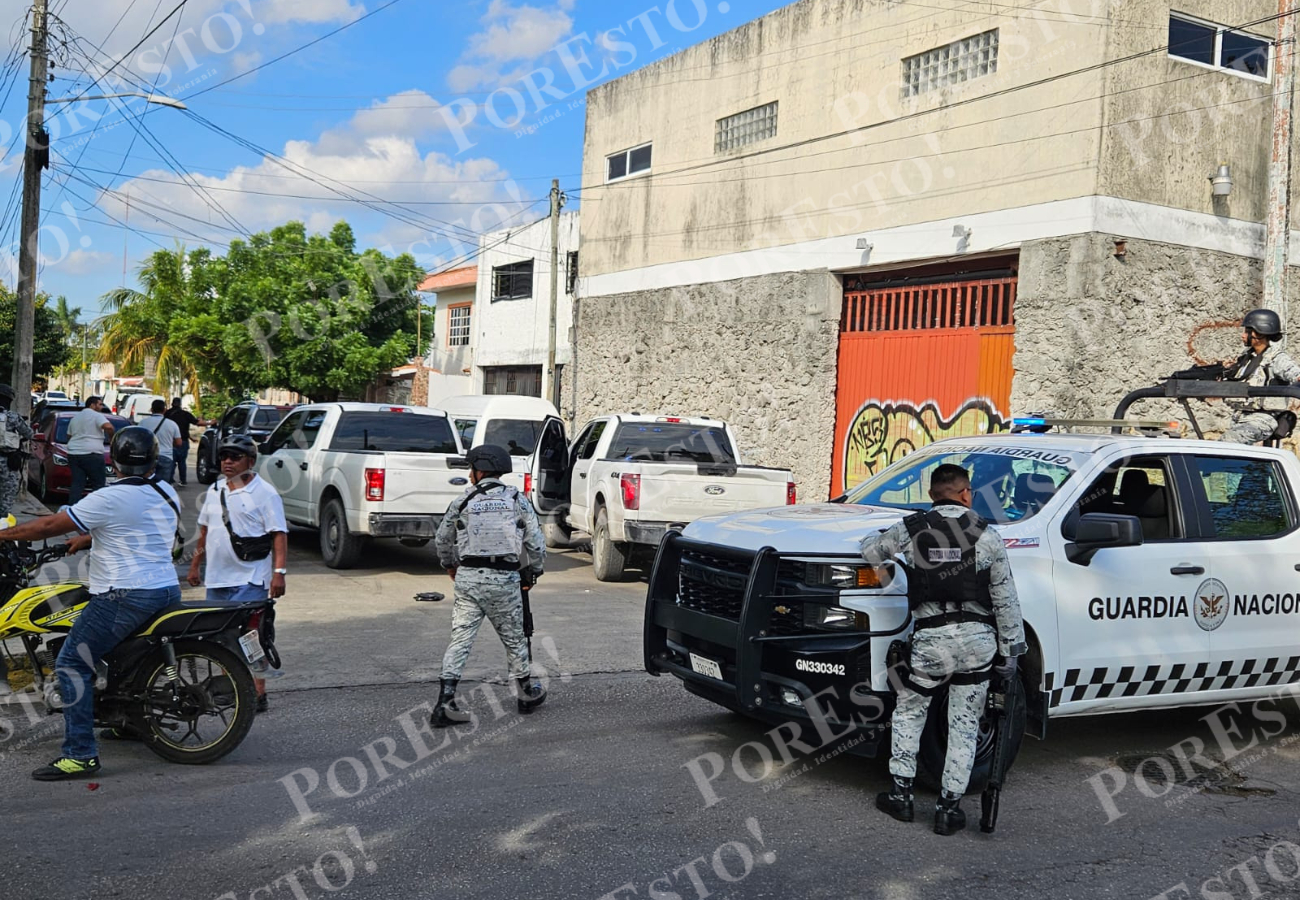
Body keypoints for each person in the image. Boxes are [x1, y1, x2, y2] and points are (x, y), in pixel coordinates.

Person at [0, 426, 181, 781]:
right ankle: (130, 721)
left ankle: (80, 754)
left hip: (124, 595)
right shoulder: (165, 490)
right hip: (163, 589)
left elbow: (48, 525)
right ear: (153, 461)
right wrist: (87, 540)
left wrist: (4, 534)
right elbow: (135, 529)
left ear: (115, 460)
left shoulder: (109, 497)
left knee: (71, 662)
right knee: (122, 659)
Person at [860, 463, 1026, 836]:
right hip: (977, 643)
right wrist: (1011, 653)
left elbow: (871, 550)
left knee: (909, 712)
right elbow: (1006, 600)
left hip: (931, 642)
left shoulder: (912, 528)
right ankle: (948, 810)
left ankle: (901, 796)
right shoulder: (987, 535)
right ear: (966, 494)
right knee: (964, 724)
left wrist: (884, 560)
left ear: (932, 495)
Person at [431, 444, 546, 727]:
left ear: (480, 470)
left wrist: (449, 565)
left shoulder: (463, 500)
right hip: (505, 580)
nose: (470, 474)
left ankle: (445, 703)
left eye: (471, 469)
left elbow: (442, 539)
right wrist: (533, 571)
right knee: (515, 639)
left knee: (460, 640)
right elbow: (536, 543)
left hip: (469, 579)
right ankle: (525, 695)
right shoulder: (517, 499)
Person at [187, 434, 287, 713]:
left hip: (251, 578)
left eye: (235, 457)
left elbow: (279, 534)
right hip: (218, 578)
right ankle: (228, 688)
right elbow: (205, 530)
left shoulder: (265, 493)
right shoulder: (215, 489)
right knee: (221, 637)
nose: (227, 461)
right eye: (224, 456)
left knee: (251, 636)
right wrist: (195, 565)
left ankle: (258, 692)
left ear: (250, 462)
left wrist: (279, 572)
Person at [1221, 308, 1300, 444]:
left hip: (1263, 419)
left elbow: (1295, 373)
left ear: (1259, 334)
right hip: (1239, 417)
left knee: (1228, 441)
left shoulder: (1277, 359)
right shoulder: (1247, 358)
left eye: (1247, 331)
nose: (1243, 336)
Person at [65, 396, 114, 504]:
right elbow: (109, 427)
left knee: (77, 484)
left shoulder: (75, 418)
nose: (102, 407)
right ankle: (96, 507)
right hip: (92, 453)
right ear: (92, 405)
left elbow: (69, 435)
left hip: (74, 453)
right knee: (98, 484)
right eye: (100, 404)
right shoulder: (97, 416)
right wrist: (111, 439)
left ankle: (72, 507)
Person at [0, 384, 33, 519]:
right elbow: (29, 434)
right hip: (8, 462)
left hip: (9, 461)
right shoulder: (13, 417)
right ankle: (2, 523)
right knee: (7, 494)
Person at [137, 399, 183, 484]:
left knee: (146, 483)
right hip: (166, 456)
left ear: (151, 409)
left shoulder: (143, 423)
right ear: (164, 410)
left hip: (148, 457)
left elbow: (138, 440)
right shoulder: (172, 424)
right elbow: (179, 443)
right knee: (162, 485)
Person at [164, 397, 207, 487]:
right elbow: (197, 423)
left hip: (170, 441)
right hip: (183, 441)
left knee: (171, 461)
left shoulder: (167, 414)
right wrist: (210, 423)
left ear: (172, 404)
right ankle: (183, 480)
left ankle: (170, 480)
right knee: (182, 462)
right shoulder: (185, 414)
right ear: (180, 404)